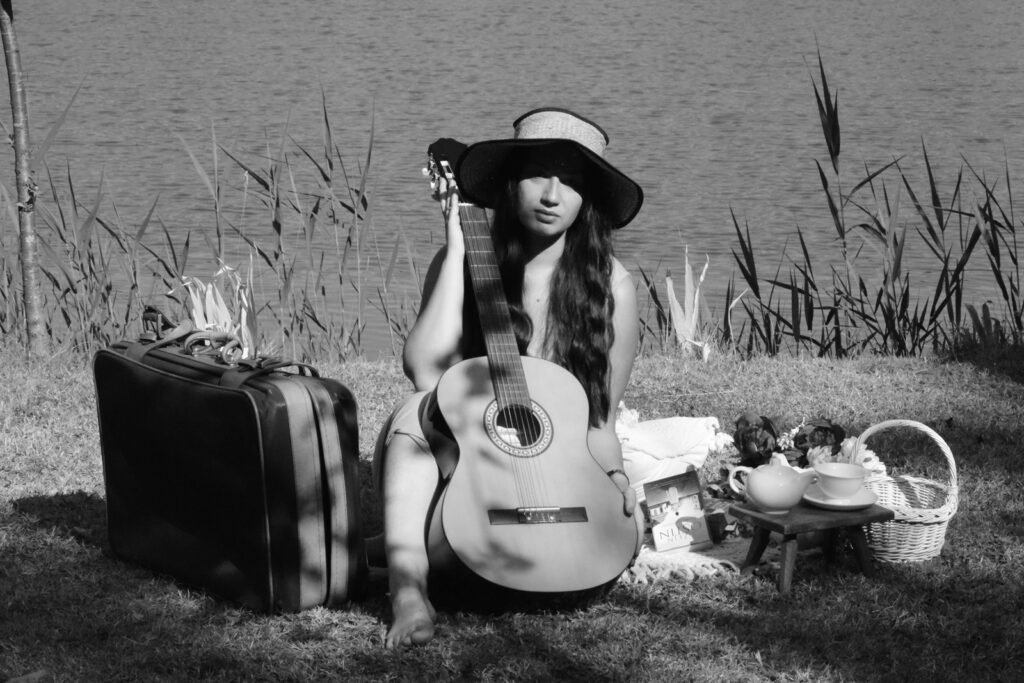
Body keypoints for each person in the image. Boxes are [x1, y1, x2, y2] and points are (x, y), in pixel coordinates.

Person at [371, 107, 645, 648]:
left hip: (556, 468)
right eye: (537, 175)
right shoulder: (463, 260)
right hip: (467, 461)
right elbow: (424, 370)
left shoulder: (611, 284)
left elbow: (599, 419)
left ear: (588, 197)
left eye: (570, 181)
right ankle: (408, 591)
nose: (552, 195)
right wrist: (458, 244)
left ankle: (392, 547)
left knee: (622, 522)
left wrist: (614, 476)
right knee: (412, 409)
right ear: (509, 182)